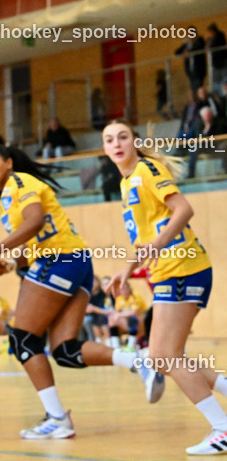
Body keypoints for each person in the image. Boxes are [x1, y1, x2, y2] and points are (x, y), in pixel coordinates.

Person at [0, 144, 157, 440]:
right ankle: (139, 361)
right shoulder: (5, 198)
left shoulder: (22, 182)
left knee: (22, 339)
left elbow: (34, 223)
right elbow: (35, 242)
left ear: (8, 162)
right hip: (74, 262)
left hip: (61, 260)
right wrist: (10, 263)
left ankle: (58, 418)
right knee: (66, 351)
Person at [102, 119, 227, 455]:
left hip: (183, 268)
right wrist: (127, 269)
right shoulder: (128, 183)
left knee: (163, 356)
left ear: (134, 141)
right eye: (109, 139)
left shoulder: (146, 170)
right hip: (170, 272)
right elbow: (146, 239)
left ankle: (223, 428)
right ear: (104, 149)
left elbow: (184, 209)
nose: (117, 143)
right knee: (169, 356)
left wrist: (157, 245)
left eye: (123, 137)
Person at [108, 280, 148, 350]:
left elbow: (133, 312)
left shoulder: (135, 295)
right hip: (129, 324)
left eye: (125, 288)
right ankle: (115, 347)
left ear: (129, 287)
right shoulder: (119, 298)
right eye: (121, 289)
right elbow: (116, 312)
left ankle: (131, 345)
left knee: (132, 318)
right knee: (112, 319)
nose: (124, 291)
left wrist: (119, 315)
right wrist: (116, 316)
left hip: (142, 323)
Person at [82, 276, 110, 344]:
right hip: (91, 316)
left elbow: (102, 308)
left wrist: (93, 308)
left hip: (101, 315)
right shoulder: (88, 294)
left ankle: (108, 342)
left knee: (98, 319)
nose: (93, 283)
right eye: (91, 281)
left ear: (98, 282)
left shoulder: (102, 293)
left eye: (94, 281)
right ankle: (91, 342)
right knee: (85, 321)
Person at [208, 24, 227, 92]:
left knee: (224, 79)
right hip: (216, 63)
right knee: (217, 81)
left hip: (222, 61)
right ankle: (220, 92)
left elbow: (214, 46)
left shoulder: (219, 35)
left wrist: (211, 42)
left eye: (211, 32)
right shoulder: (213, 38)